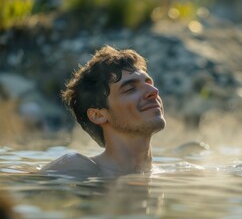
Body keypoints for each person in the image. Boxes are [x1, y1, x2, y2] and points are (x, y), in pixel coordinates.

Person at [40, 45, 166, 177]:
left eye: (149, 84)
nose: (154, 91)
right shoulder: (76, 167)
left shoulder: (170, 173)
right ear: (98, 115)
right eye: (130, 89)